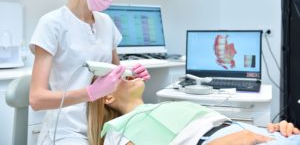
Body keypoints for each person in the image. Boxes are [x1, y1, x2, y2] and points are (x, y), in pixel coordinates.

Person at [29, 0, 150, 145]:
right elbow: (37, 99)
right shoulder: (52, 23)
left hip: (103, 125)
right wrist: (92, 92)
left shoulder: (106, 23)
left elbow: (116, 77)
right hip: (65, 131)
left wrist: (131, 74)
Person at [94, 77, 300, 145]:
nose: (126, 72)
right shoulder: (118, 128)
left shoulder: (161, 106)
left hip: (262, 135)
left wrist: (274, 128)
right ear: (107, 97)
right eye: (115, 75)